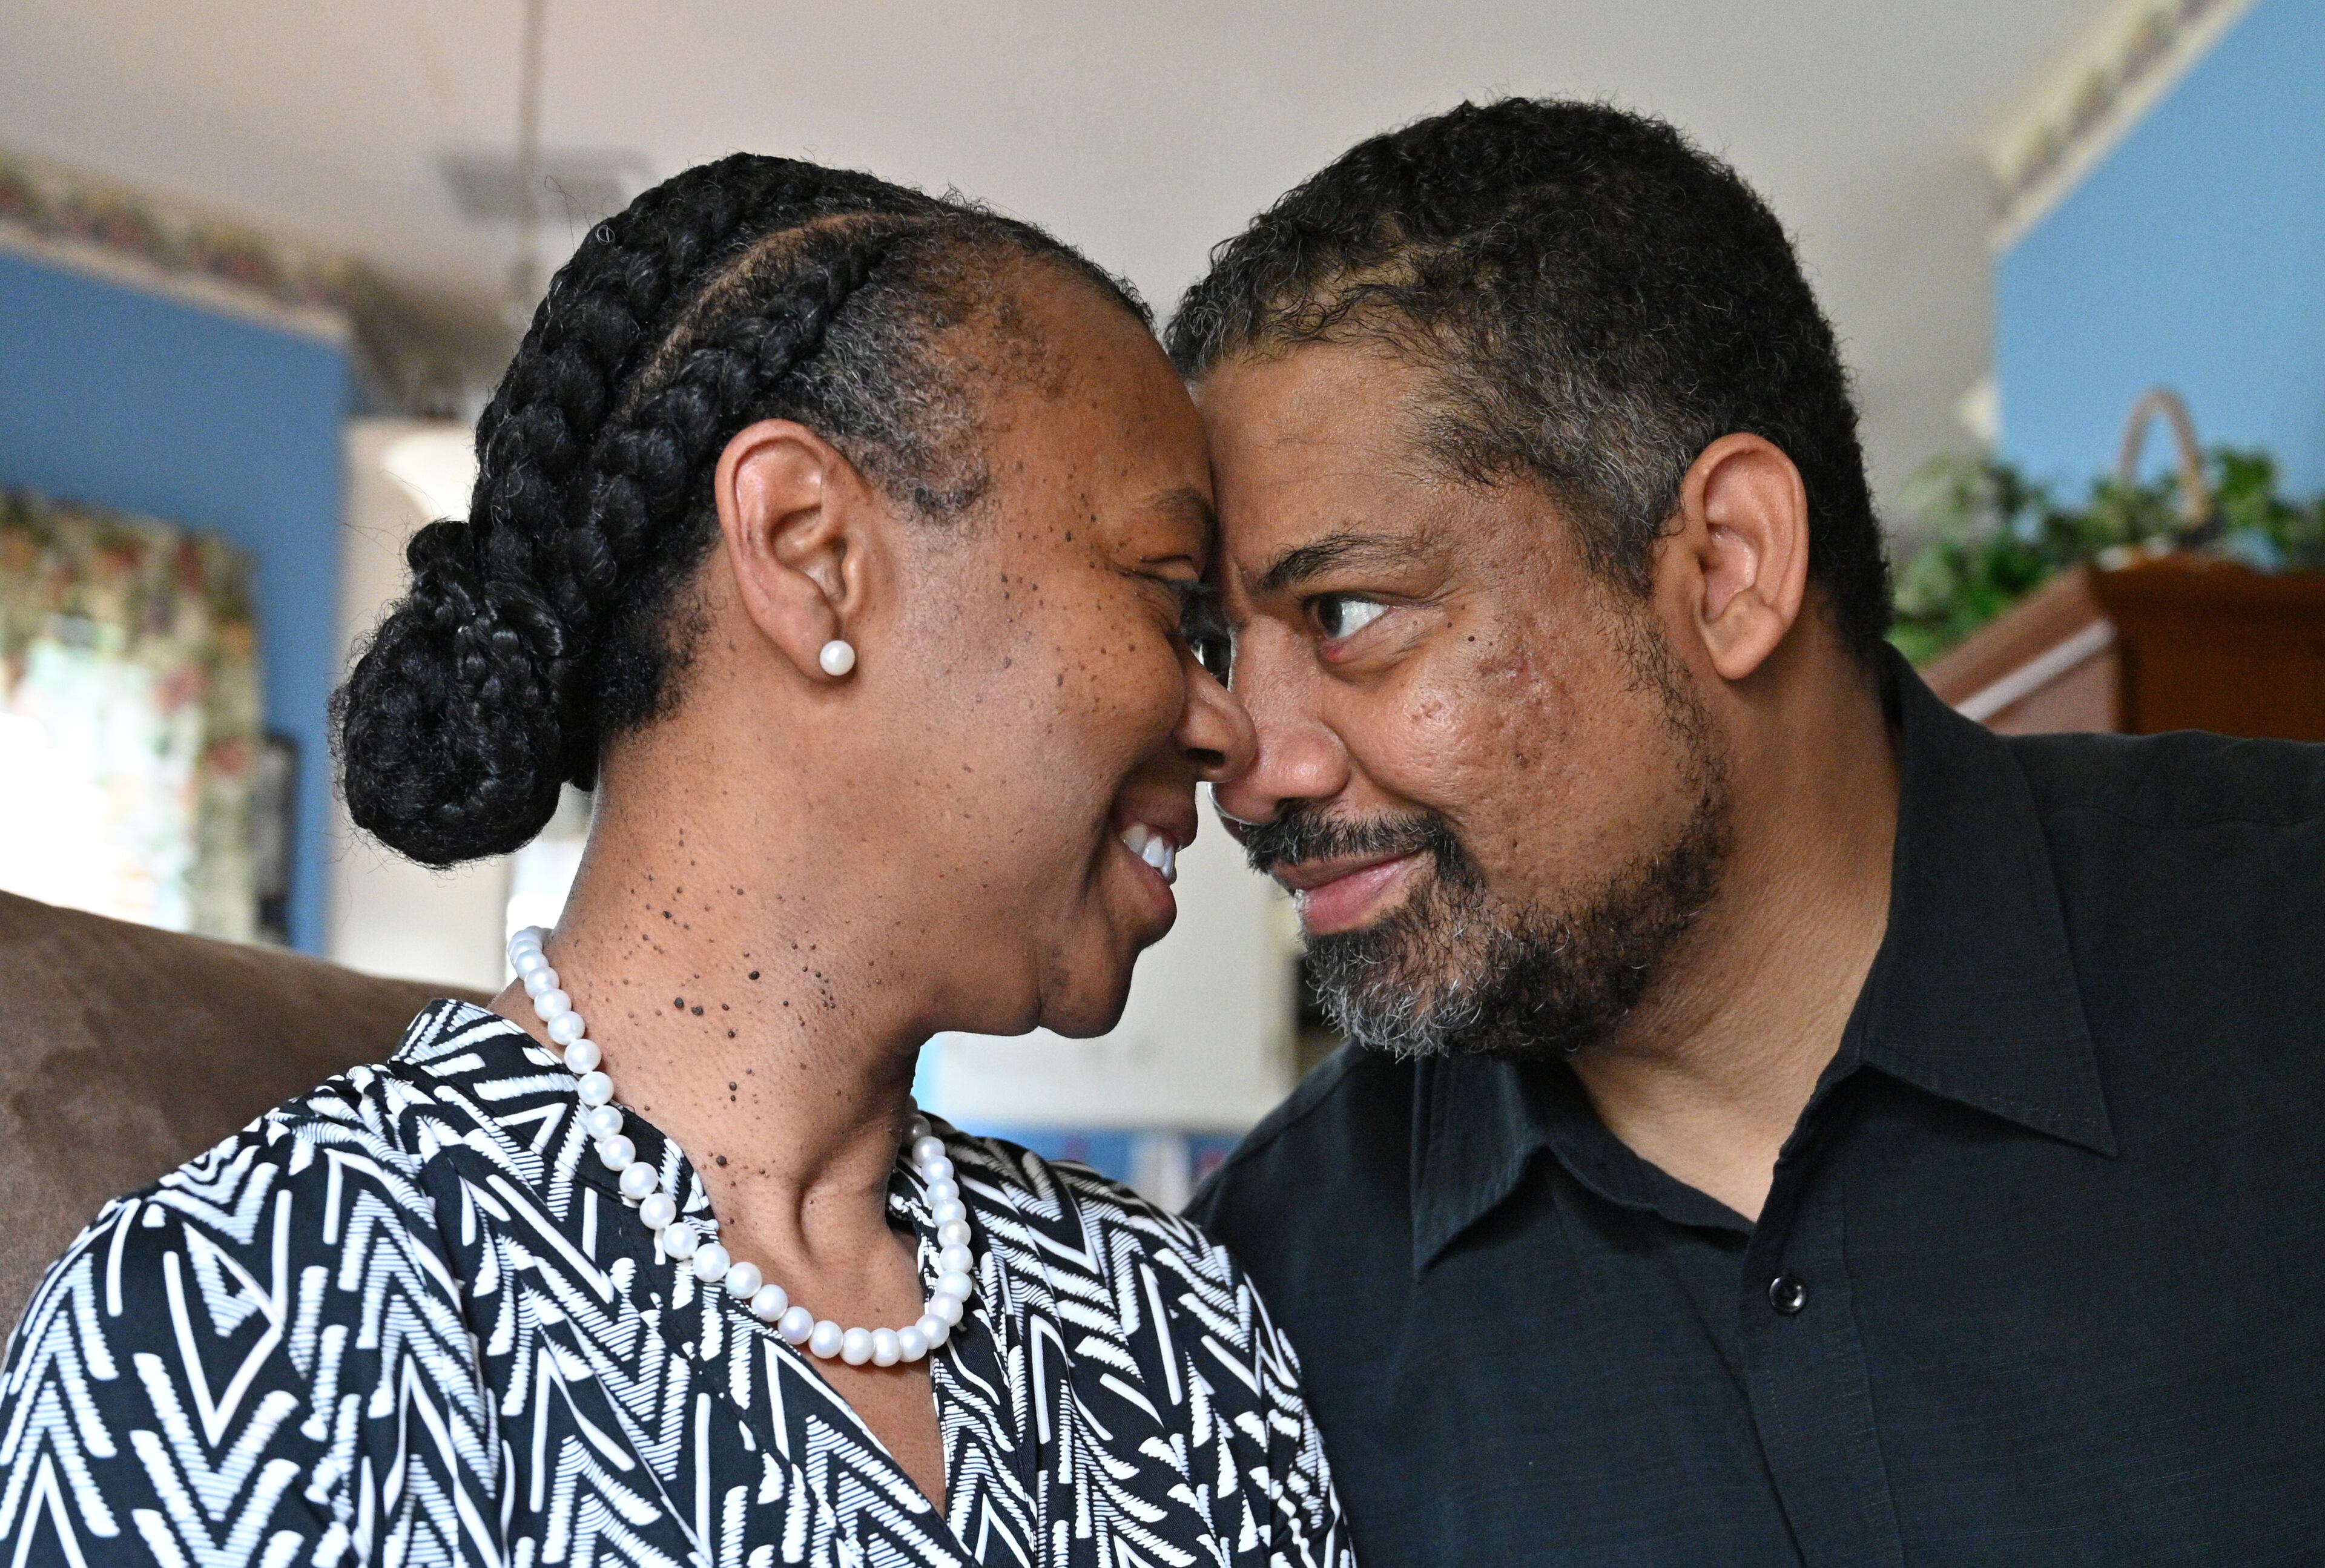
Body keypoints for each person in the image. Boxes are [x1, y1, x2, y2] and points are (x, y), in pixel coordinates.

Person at [0, 155, 1352, 1568]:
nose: (1232, 724)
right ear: (808, 546)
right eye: (1168, 599)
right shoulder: (243, 1320)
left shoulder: (1173, 1320)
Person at [1172, 97, 2325, 1566]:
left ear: (1727, 566)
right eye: (1217, 646)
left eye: (1345, 612)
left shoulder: (2287, 957)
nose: (1245, 766)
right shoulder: (1255, 1304)